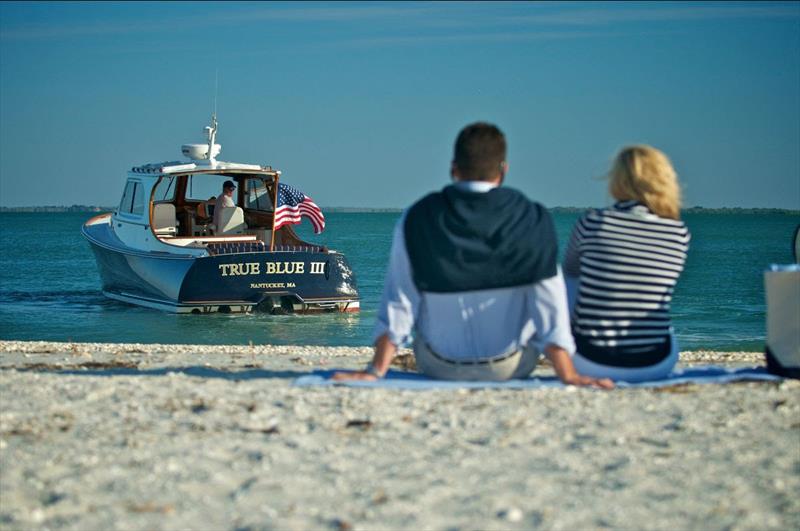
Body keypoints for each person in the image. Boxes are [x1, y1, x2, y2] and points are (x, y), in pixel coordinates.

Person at [334, 123, 611, 388]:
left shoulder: (418, 216)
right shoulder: (532, 217)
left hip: (439, 365)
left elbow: (400, 299)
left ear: (454, 169)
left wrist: (376, 370)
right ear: (503, 170)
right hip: (509, 367)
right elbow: (548, 302)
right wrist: (568, 373)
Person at [563, 145, 691, 382]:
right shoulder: (678, 232)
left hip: (589, 361)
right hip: (656, 362)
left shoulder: (593, 222)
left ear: (617, 180)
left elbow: (570, 273)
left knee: (569, 278)